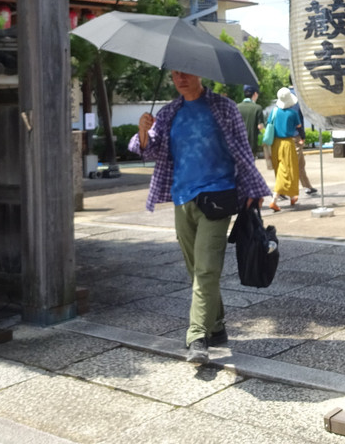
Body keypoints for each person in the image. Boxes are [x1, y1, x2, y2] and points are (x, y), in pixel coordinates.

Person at [129, 71, 271, 365]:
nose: (180, 78)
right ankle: (216, 326)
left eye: (186, 73)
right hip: (182, 198)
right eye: (175, 74)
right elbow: (149, 149)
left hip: (218, 197)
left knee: (206, 268)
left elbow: (243, 151)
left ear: (199, 74)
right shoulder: (169, 112)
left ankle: (197, 337)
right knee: (195, 268)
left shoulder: (223, 107)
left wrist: (254, 189)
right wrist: (143, 132)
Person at [267, 87, 303, 212]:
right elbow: (299, 125)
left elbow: (269, 123)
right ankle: (274, 200)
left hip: (275, 144)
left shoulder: (274, 111)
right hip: (287, 143)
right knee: (288, 170)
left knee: (280, 169)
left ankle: (292, 196)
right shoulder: (292, 113)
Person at [286, 92, 317, 195]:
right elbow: (299, 121)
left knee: (300, 163)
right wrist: (302, 136)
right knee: (294, 163)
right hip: (296, 136)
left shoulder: (281, 103)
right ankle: (282, 188)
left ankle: (307, 186)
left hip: (286, 137)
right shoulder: (297, 101)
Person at [237, 85, 262, 158]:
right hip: (252, 144)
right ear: (255, 94)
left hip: (239, 144)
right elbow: (260, 127)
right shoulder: (257, 108)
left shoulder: (236, 107)